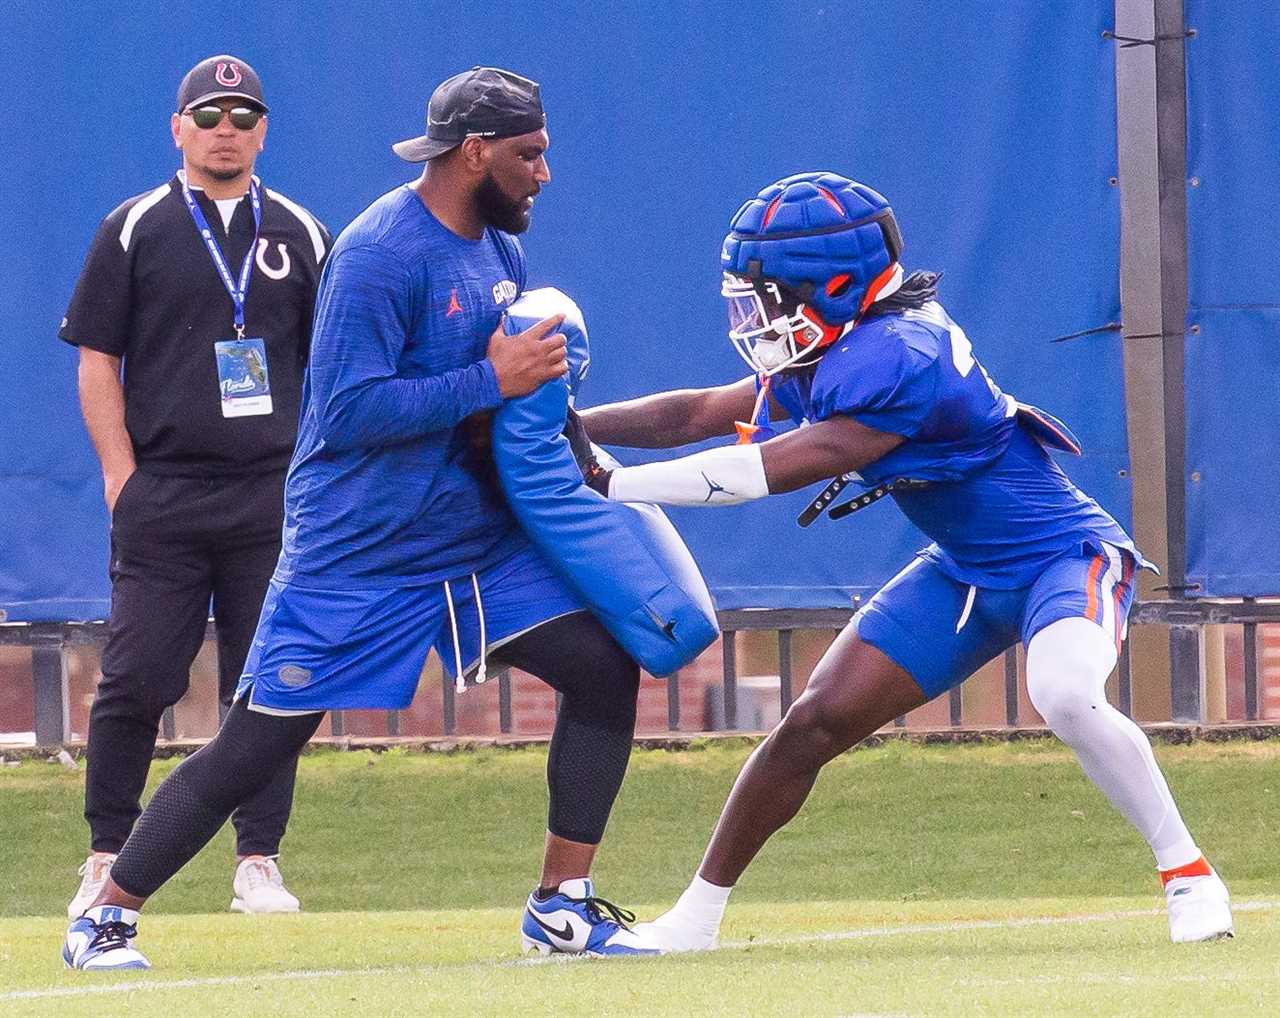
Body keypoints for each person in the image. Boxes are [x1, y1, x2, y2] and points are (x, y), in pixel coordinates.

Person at [62, 66, 656, 972]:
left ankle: (560, 906)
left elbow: (501, 402)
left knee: (605, 668)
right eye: (529, 155)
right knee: (257, 740)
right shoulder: (382, 251)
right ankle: (106, 914)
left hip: (472, 544)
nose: (543, 173)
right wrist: (492, 380)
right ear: (475, 153)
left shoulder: (498, 247)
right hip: (362, 552)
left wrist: (571, 447)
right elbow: (344, 413)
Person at [573, 172, 1234, 949]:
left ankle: (1187, 873)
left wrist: (612, 481)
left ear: (835, 283)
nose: (757, 316)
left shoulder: (899, 353)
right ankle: (694, 921)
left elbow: (768, 470)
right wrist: (570, 426)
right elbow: (699, 413)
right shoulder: (847, 341)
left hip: (1065, 556)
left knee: (1062, 691)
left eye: (772, 295)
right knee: (812, 721)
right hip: (963, 572)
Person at [59, 54, 330, 920]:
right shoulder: (134, 227)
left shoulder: (299, 233)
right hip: (165, 492)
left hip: (271, 496)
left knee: (276, 678)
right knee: (137, 676)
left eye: (243, 117)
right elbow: (98, 359)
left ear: (263, 132)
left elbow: (330, 371)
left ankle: (259, 858)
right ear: (178, 128)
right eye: (209, 116)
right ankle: (106, 854)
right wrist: (120, 479)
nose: (226, 130)